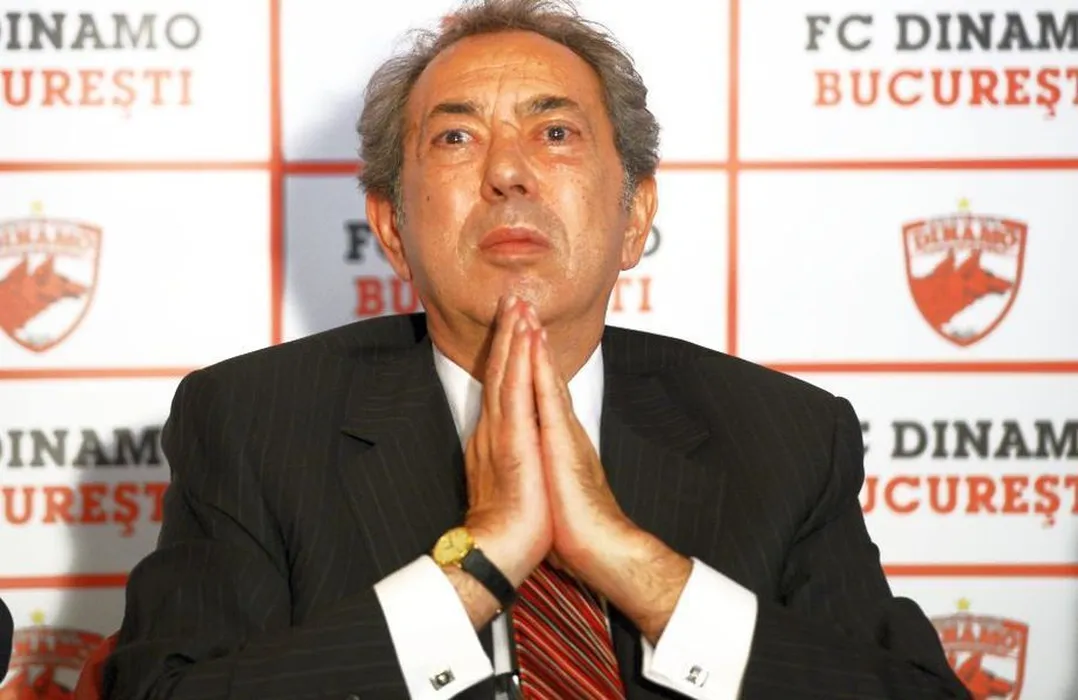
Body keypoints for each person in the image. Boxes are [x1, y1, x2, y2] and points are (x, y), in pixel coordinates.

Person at [102, 1, 971, 698]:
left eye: (555, 133)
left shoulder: (785, 438)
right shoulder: (254, 425)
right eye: (456, 137)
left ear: (634, 217)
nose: (508, 172)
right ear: (391, 230)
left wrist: (639, 569)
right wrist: (478, 565)